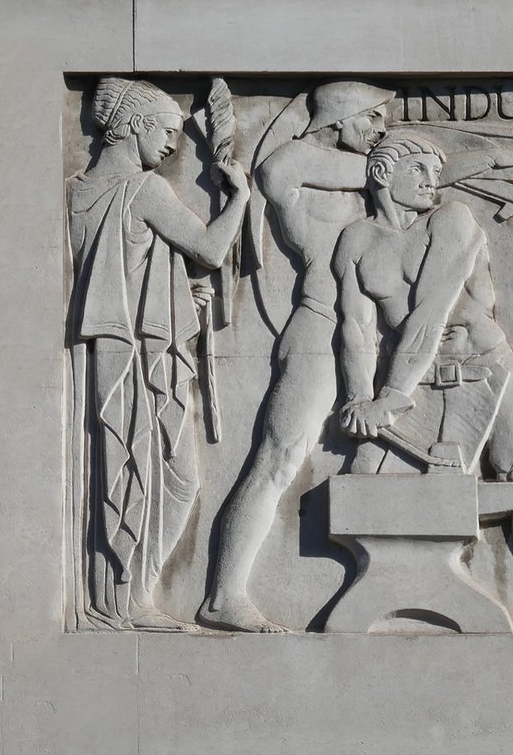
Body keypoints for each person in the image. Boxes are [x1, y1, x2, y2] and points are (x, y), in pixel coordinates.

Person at [332, 130, 513, 625]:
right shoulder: (356, 240)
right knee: (361, 480)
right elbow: (356, 328)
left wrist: (388, 396)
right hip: (415, 380)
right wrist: (356, 397)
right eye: (420, 170)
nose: (434, 182)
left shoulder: (452, 221)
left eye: (438, 173)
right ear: (382, 174)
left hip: (482, 367)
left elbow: (431, 309)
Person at [198, 80, 394, 632]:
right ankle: (223, 595)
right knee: (278, 458)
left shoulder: (376, 173)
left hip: (388, 338)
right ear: (340, 115)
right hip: (323, 329)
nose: (383, 133)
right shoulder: (290, 167)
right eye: (374, 119)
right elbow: (276, 172)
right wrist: (395, 168)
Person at [68, 76, 249, 631]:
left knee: (117, 467)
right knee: (158, 471)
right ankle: (125, 601)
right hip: (136, 362)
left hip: (102, 352)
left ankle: (115, 598)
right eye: (168, 131)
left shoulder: (74, 190)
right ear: (137, 125)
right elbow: (210, 250)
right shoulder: (145, 188)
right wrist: (239, 194)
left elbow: (130, 263)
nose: (172, 144)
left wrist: (177, 294)